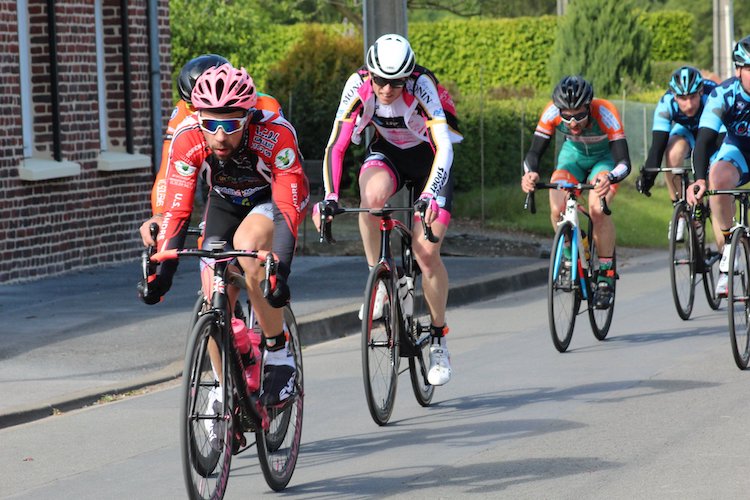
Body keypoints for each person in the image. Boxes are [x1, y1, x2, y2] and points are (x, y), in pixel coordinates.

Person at [137, 63, 309, 409]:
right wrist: (163, 274)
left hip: (270, 198)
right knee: (212, 289)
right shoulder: (188, 136)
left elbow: (288, 209)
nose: (218, 135)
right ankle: (224, 381)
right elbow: (177, 209)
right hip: (225, 201)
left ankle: (278, 352)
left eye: (229, 124)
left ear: (247, 117)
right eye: (209, 123)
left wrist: (281, 273)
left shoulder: (274, 132)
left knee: (249, 249)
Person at [314, 33, 462, 386]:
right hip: (390, 155)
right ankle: (379, 281)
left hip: (430, 162)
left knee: (426, 254)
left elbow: (444, 147)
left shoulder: (422, 86)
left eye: (395, 82)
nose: (386, 89)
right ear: (370, 74)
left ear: (407, 77)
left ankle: (439, 338)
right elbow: (336, 145)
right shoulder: (359, 85)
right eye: (380, 80)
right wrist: (330, 195)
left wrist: (428, 194)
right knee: (372, 200)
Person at [520, 75, 632, 309]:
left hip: (604, 160)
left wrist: (610, 177)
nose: (572, 122)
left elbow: (624, 162)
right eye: (567, 116)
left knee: (596, 208)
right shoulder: (551, 112)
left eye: (580, 115)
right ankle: (572, 256)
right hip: (573, 157)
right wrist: (530, 173)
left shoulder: (605, 112)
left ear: (589, 107)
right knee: (556, 208)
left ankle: (605, 274)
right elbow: (533, 154)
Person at [151, 54, 284, 215]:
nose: (196, 112)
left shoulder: (265, 105)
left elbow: (281, 162)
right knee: (207, 237)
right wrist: (159, 214)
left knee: (254, 237)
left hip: (264, 188)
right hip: (223, 188)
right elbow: (167, 169)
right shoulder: (183, 108)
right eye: (192, 106)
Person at [687, 35, 750, 297]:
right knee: (716, 176)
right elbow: (703, 140)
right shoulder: (723, 94)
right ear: (738, 70)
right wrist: (699, 179)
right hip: (739, 150)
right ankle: (728, 252)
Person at [635, 66, 720, 241]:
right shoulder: (666, 103)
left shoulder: (714, 95)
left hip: (713, 132)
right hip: (687, 131)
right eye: (682, 98)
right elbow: (658, 145)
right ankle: (679, 207)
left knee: (713, 168)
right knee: (672, 152)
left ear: (701, 91)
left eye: (693, 97)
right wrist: (648, 177)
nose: (688, 104)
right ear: (674, 95)